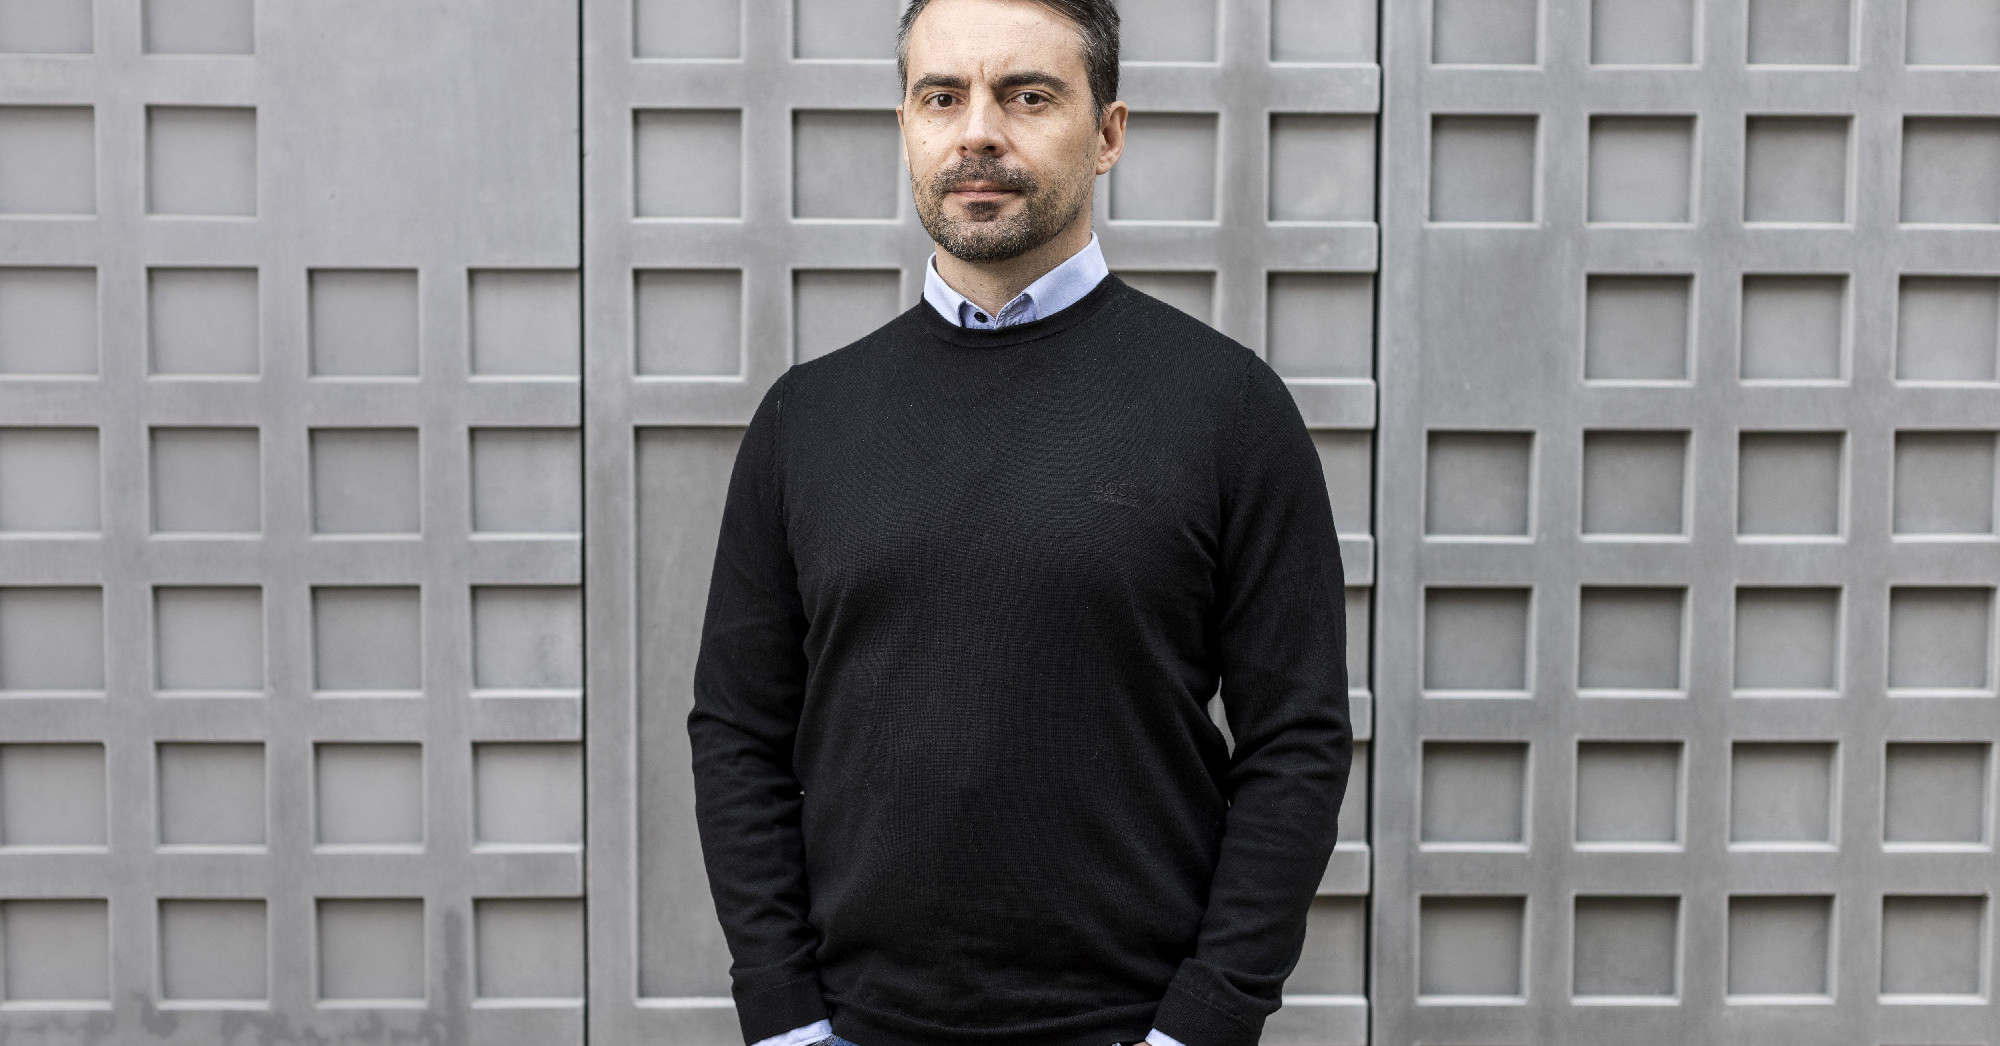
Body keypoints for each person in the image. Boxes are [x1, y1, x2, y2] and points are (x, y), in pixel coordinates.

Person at [685, 0, 1353, 1044]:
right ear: (905, 126)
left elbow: (1296, 741)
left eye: (1026, 96)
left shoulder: (1228, 409)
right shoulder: (804, 418)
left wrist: (1207, 1021)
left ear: (1108, 133)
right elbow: (738, 732)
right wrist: (782, 1016)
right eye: (940, 97)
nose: (977, 132)